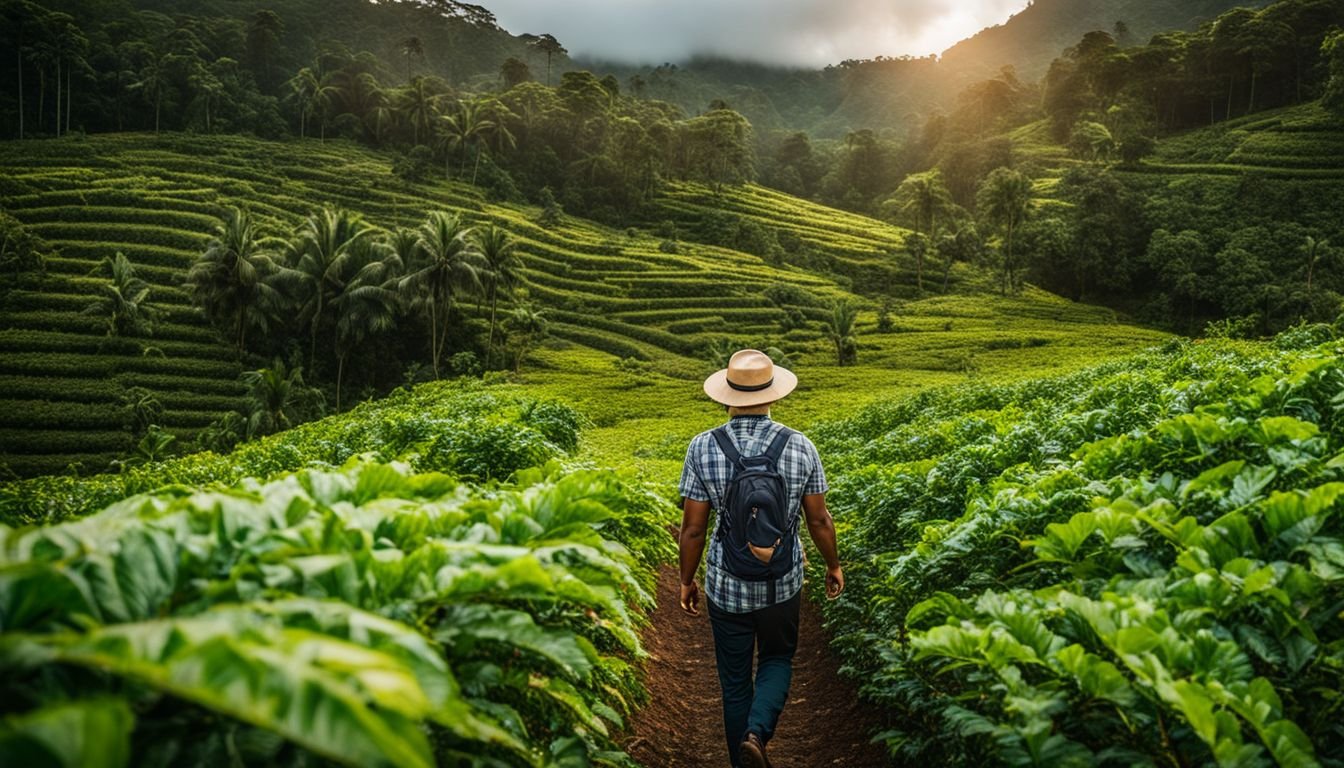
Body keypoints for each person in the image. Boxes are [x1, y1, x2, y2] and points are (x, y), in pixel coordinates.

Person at [677, 348, 844, 768]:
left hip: (726, 583)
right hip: (781, 580)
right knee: (776, 658)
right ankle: (757, 733)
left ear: (726, 394)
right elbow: (819, 519)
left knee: (734, 682)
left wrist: (686, 579)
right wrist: (832, 564)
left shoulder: (702, 447)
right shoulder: (800, 446)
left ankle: (742, 762)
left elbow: (694, 527)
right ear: (773, 394)